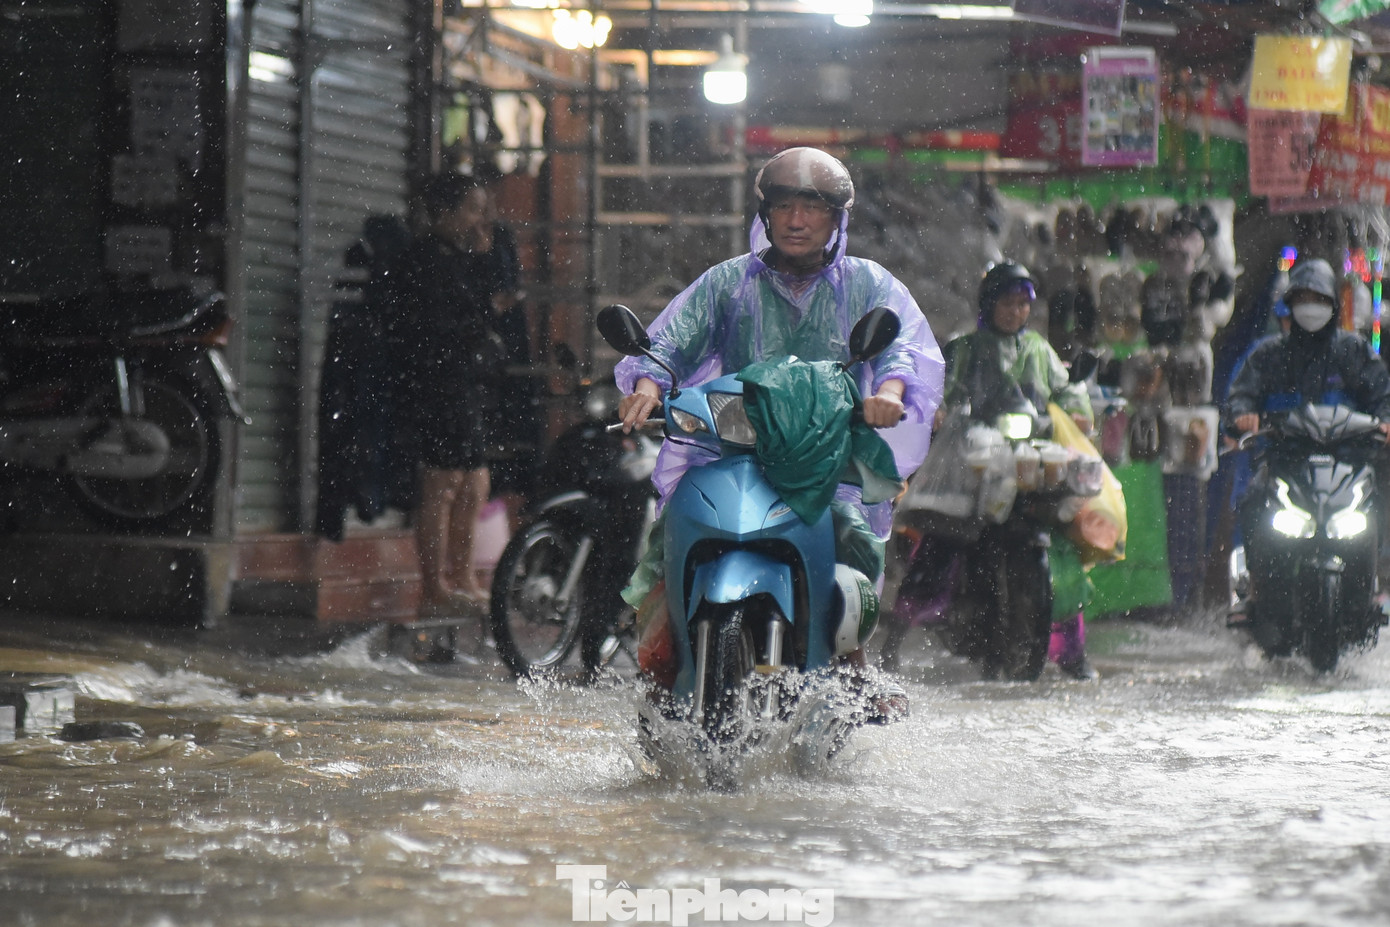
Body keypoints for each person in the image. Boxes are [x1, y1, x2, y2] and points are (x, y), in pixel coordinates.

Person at [614, 146, 945, 720]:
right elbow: (671, 342)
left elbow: (900, 352)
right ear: (765, 214)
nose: (796, 220)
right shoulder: (727, 283)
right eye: (785, 207)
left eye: (812, 209)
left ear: (836, 218)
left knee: (851, 537)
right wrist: (647, 384)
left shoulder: (867, 283)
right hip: (732, 448)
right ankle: (660, 668)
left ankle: (853, 663)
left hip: (825, 457)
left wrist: (888, 396)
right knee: (669, 537)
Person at [893, 260, 1100, 680]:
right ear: (989, 303)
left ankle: (1072, 649)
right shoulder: (964, 348)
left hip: (1027, 460)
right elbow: (939, 390)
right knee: (939, 545)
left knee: (1064, 549)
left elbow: (1065, 388)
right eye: (1008, 302)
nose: (1016, 311)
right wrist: (939, 411)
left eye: (1024, 303)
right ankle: (893, 639)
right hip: (975, 464)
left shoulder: (1039, 350)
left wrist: (1079, 412)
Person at [390, 172, 518, 621]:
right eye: (470, 209)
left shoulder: (465, 256)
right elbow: (443, 322)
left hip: (465, 380)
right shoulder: (423, 259)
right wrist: (483, 309)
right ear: (443, 212)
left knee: (475, 481)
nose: (478, 219)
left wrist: (487, 258)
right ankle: (433, 586)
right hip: (437, 382)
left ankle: (462, 578)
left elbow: (502, 294)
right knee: (442, 484)